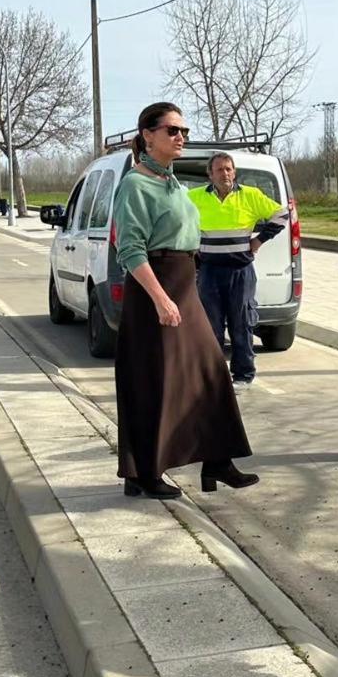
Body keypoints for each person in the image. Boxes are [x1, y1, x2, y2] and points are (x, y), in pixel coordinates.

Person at [111, 103, 259, 498]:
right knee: (154, 383)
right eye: (172, 130)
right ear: (148, 136)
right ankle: (143, 472)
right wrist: (160, 298)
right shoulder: (135, 184)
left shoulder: (174, 183)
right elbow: (130, 249)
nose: (181, 137)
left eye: (184, 131)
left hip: (184, 287)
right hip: (153, 293)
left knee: (210, 371)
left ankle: (217, 461)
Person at [189, 154, 289, 389]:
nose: (225, 174)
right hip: (209, 271)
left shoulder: (251, 196)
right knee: (210, 325)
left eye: (229, 169)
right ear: (210, 174)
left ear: (234, 172)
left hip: (240, 271)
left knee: (241, 322)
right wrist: (190, 247)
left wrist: (259, 240)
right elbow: (178, 218)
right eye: (219, 170)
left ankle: (243, 374)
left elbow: (283, 214)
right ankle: (212, 375)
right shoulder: (193, 198)